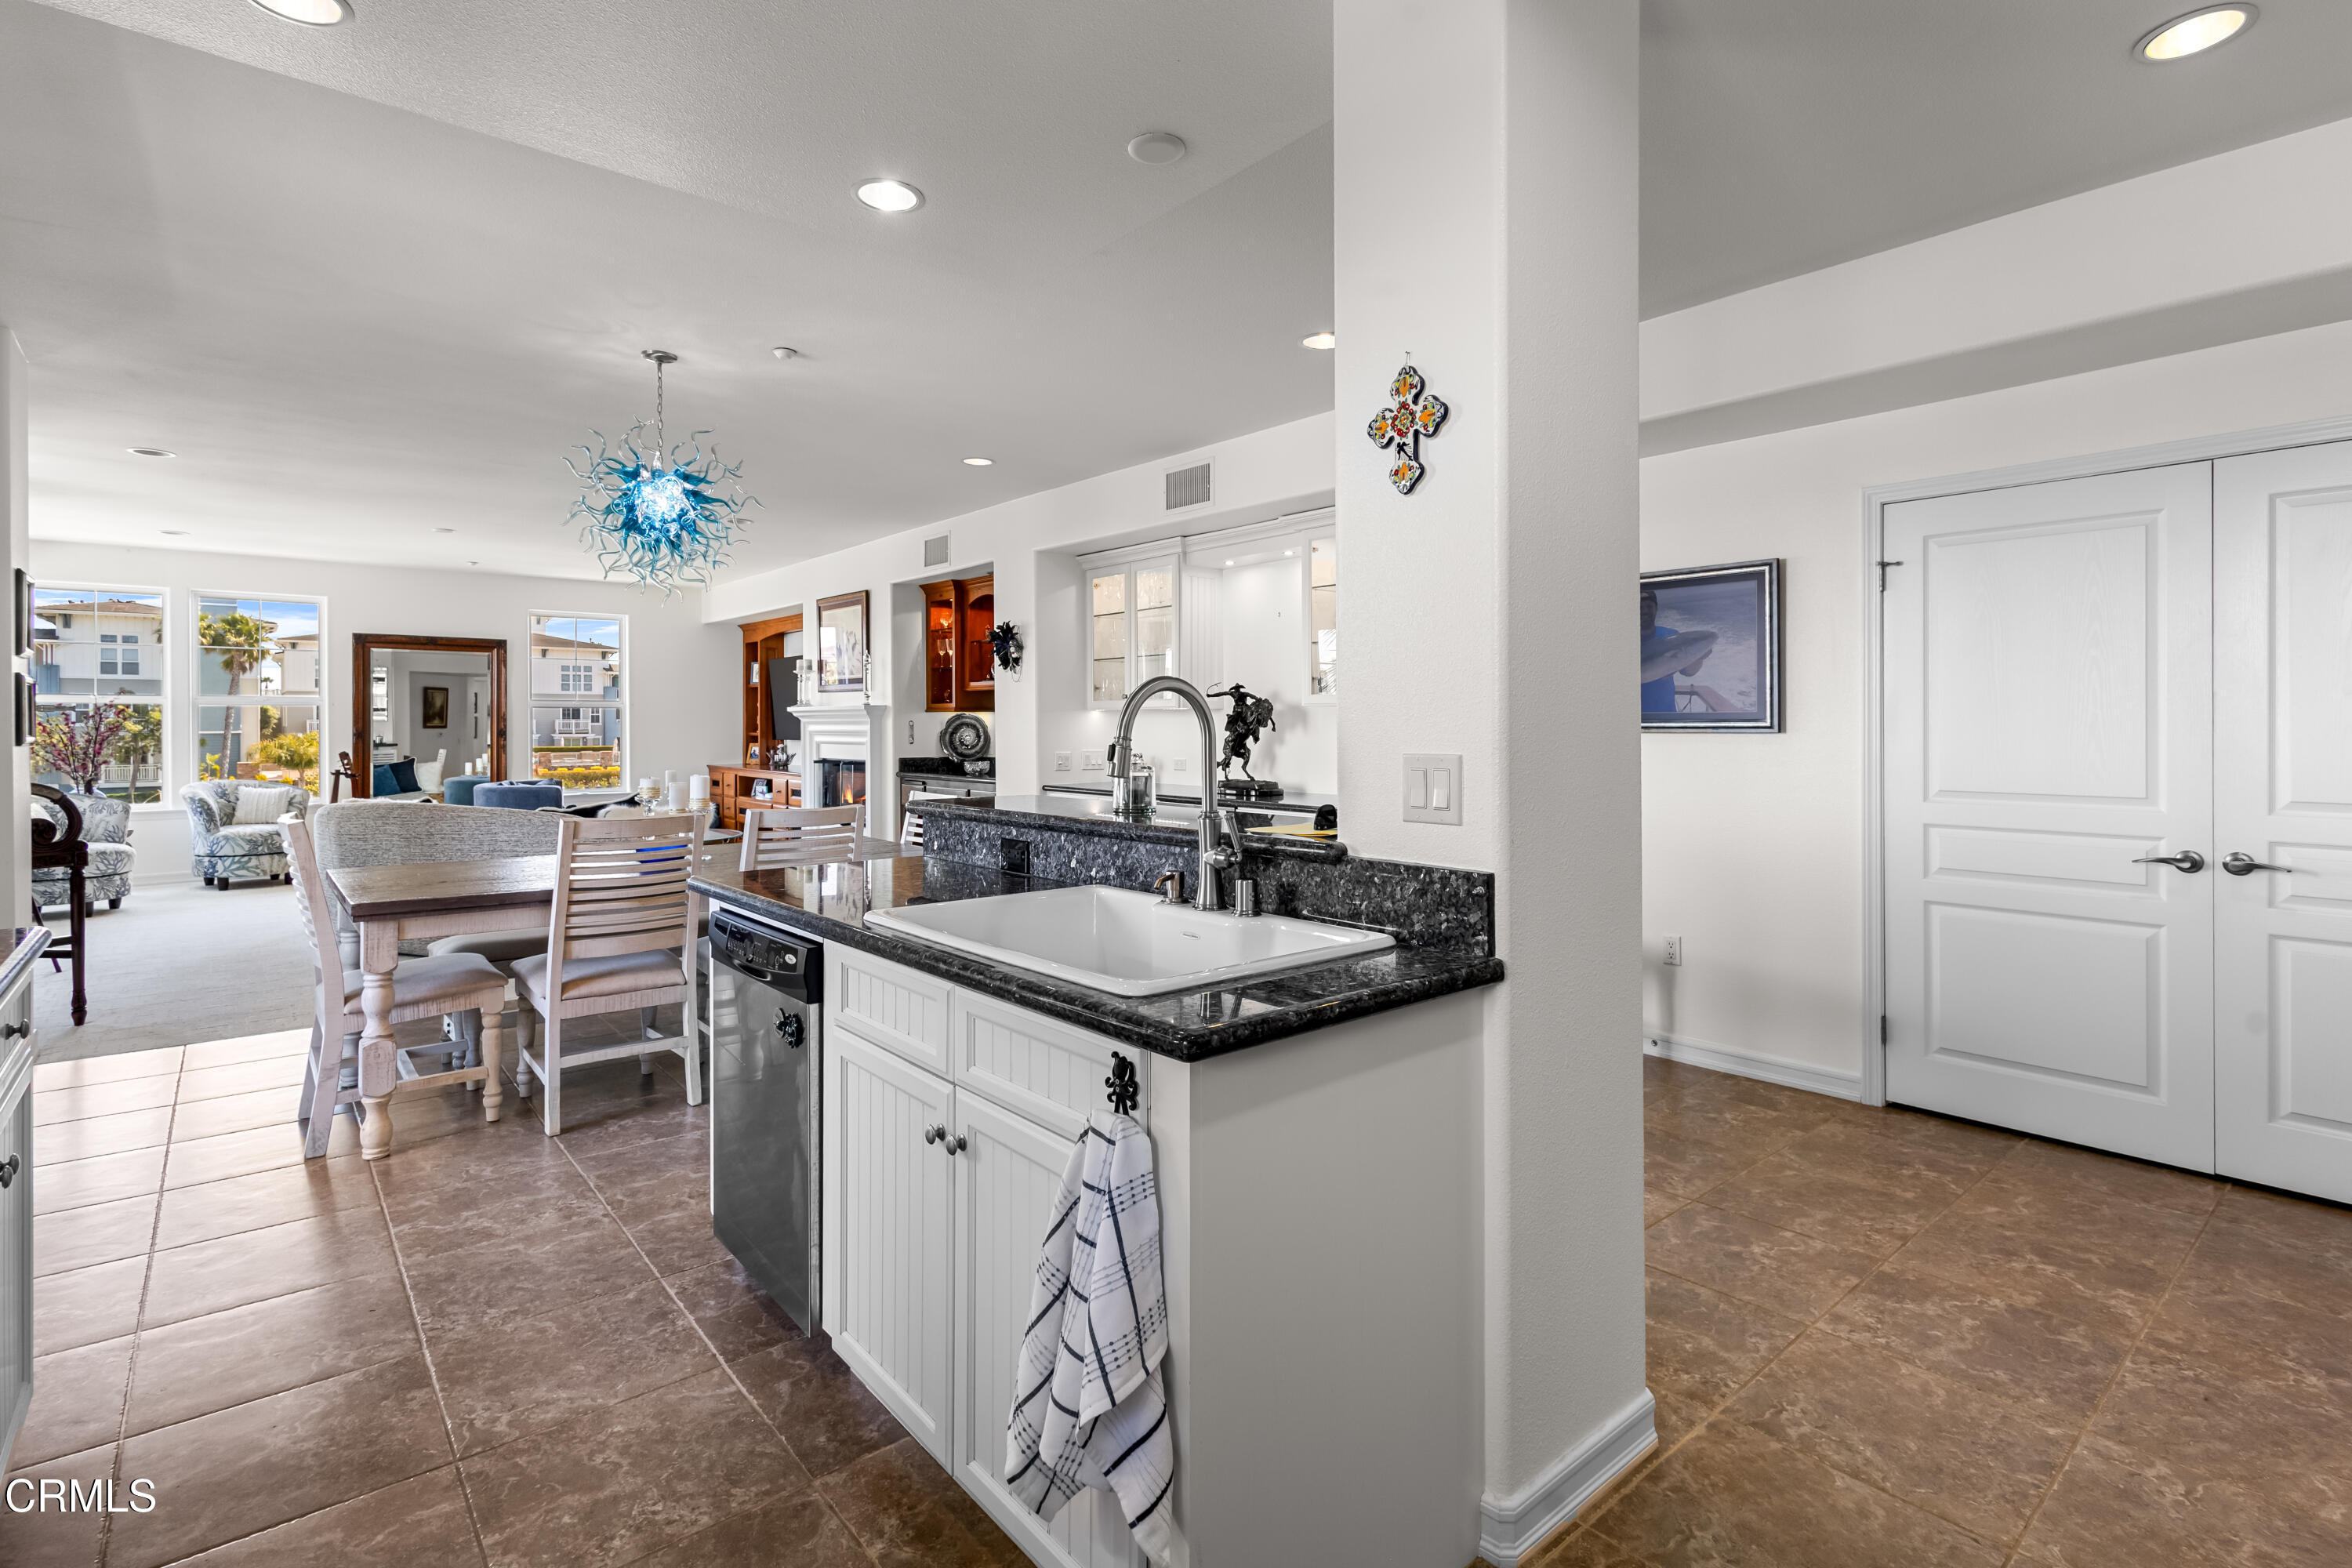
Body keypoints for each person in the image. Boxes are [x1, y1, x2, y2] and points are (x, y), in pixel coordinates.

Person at [1641, 588, 1712, 714]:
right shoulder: (1621, 641)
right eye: (1640, 606)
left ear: (1656, 609)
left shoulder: (1671, 635)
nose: (1645, 611)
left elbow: (1688, 672)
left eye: (1649, 606)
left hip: (1666, 716)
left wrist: (1698, 657)